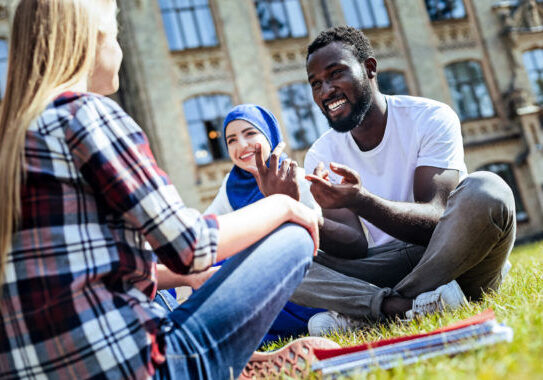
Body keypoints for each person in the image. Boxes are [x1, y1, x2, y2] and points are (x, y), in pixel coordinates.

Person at [0, 1, 340, 379]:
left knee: (155, 288)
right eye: (115, 35)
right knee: (292, 236)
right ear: (92, 41)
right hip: (138, 369)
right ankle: (218, 363)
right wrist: (284, 206)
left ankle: (236, 361)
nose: (120, 49)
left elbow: (106, 264)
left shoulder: (10, 138)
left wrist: (187, 279)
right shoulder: (86, 116)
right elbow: (191, 247)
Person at [288, 26, 516, 335]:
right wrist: (298, 212)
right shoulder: (322, 152)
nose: (326, 91)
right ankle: (405, 308)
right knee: (280, 258)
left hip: (452, 261)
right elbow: (354, 246)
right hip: (386, 267)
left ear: (369, 68)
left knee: (488, 189)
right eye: (316, 84)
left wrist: (361, 200)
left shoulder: (430, 118)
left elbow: (436, 218)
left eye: (335, 74)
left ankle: (373, 311)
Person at [203, 103, 325, 343]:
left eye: (250, 133)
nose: (242, 145)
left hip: (299, 280)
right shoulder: (232, 185)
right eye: (231, 140)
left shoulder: (293, 176)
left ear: (269, 133)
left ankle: (320, 317)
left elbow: (317, 243)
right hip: (257, 283)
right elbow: (207, 230)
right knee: (204, 263)